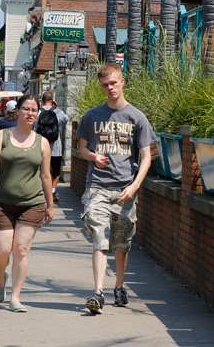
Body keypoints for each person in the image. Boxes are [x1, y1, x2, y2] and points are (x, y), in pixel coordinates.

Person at [77, 63, 153, 314]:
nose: (109, 88)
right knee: (100, 237)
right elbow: (82, 149)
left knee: (122, 242)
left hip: (125, 189)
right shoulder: (91, 116)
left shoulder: (137, 117)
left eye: (113, 83)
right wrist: (92, 157)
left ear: (123, 82)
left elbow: (146, 156)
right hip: (97, 186)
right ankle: (98, 293)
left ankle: (119, 285)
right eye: (105, 85)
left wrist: (135, 186)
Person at [0, 94, 53, 313]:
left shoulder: (43, 143)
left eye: (34, 110)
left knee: (21, 249)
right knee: (2, 250)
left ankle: (15, 297)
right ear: (18, 111)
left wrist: (50, 205)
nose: (30, 113)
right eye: (26, 109)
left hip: (32, 203)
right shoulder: (1, 136)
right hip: (3, 202)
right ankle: (1, 277)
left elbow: (46, 176)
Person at [37, 91, 69, 204]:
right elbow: (66, 120)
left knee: (43, 171)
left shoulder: (37, 113)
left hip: (40, 147)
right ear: (52, 100)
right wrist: (57, 106)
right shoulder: (59, 112)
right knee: (55, 172)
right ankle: (53, 191)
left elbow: (34, 128)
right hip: (56, 148)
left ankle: (44, 191)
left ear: (42, 100)